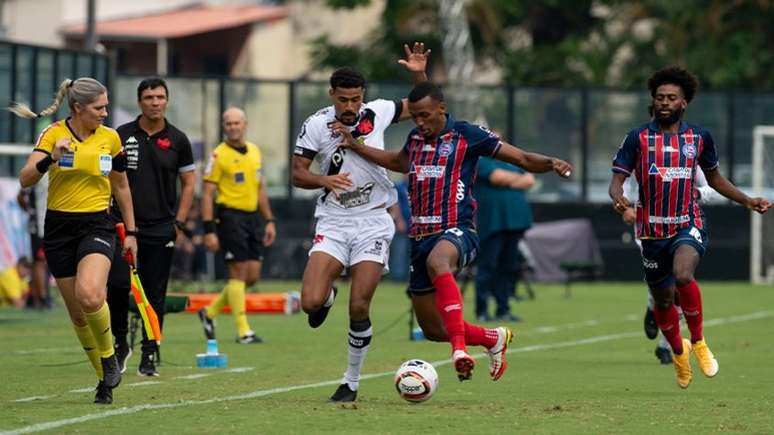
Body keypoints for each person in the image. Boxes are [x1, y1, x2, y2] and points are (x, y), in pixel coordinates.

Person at [339, 81, 573, 381]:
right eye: (416, 117)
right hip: (420, 238)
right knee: (433, 329)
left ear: (442, 109)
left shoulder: (468, 135)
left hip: (457, 230)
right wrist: (357, 146)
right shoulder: (415, 138)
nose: (420, 122)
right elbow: (399, 161)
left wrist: (551, 162)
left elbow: (522, 158)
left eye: (425, 116)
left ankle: (460, 351)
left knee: (439, 262)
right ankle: (492, 338)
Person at [609, 66, 771, 388]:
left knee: (683, 274)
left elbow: (715, 179)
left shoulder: (699, 138)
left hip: (687, 222)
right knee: (663, 299)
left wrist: (747, 200)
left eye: (671, 98)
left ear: (684, 103)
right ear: (653, 102)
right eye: (659, 98)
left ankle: (698, 341)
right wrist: (621, 203)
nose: (664, 102)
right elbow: (617, 182)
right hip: (651, 230)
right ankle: (679, 354)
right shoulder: (637, 138)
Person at [291, 43, 430, 402]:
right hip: (335, 221)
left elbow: (422, 105)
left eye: (355, 99)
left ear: (362, 96)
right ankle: (326, 296)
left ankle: (350, 382)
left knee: (360, 306)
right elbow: (297, 174)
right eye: (343, 99)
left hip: (372, 222)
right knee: (309, 303)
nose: (350, 106)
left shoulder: (379, 112)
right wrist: (325, 181)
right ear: (332, 96)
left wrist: (417, 73)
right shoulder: (316, 125)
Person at [13, 77, 138, 404]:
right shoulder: (53, 134)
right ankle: (103, 378)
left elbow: (122, 186)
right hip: (58, 229)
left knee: (91, 294)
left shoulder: (110, 139)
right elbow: (26, 178)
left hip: (98, 223)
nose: (105, 113)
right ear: (78, 107)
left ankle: (110, 357)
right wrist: (50, 158)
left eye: (106, 106)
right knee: (79, 315)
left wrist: (132, 233)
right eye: (99, 107)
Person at [106, 77, 196, 377]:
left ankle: (150, 350)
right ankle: (120, 345)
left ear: (166, 101)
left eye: (159, 97)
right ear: (139, 102)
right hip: (121, 225)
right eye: (148, 97)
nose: (155, 102)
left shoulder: (179, 140)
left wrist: (179, 223)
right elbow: (108, 179)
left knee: (154, 292)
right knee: (117, 286)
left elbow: (189, 183)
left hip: (161, 227)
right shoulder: (120, 135)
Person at [197, 107, 276, 344]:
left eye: (236, 123)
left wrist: (269, 219)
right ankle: (244, 331)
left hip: (253, 219)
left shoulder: (255, 151)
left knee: (251, 277)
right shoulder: (218, 155)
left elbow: (260, 189)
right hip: (229, 217)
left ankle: (209, 312)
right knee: (238, 273)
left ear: (245, 124)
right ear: (224, 127)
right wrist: (209, 230)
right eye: (228, 123)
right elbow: (207, 195)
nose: (232, 127)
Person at [626, 165, 716, 365]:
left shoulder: (691, 154)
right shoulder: (643, 148)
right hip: (650, 227)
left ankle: (666, 345)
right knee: (662, 287)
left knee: (680, 284)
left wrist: (697, 193)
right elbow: (621, 180)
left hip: (684, 227)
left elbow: (713, 188)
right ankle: (653, 306)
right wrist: (625, 206)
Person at [473, 157, 534, 322]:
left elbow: (529, 180)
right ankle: (482, 310)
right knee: (487, 267)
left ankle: (503, 309)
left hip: (514, 223)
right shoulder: (482, 160)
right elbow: (496, 177)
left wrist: (508, 180)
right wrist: (516, 180)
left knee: (508, 267)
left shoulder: (511, 161)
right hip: (492, 223)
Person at [17, 179, 51, 310]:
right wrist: (29, 211)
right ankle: (41, 298)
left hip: (47, 224)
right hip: (38, 226)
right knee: (39, 262)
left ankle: (40, 296)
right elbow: (20, 195)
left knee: (43, 262)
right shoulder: (39, 171)